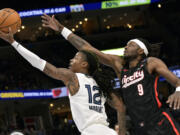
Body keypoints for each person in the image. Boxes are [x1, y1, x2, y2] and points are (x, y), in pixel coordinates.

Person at [41, 14, 180, 135]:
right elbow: (86, 48)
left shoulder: (150, 62)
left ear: (140, 51)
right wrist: (61, 29)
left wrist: (178, 90)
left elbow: (177, 81)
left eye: (130, 45)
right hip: (140, 128)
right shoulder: (120, 66)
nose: (126, 46)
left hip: (159, 120)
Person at [0, 29, 124, 135]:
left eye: (76, 58)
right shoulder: (100, 84)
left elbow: (39, 63)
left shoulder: (73, 77)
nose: (71, 60)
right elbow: (121, 108)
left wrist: (13, 43)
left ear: (84, 64)